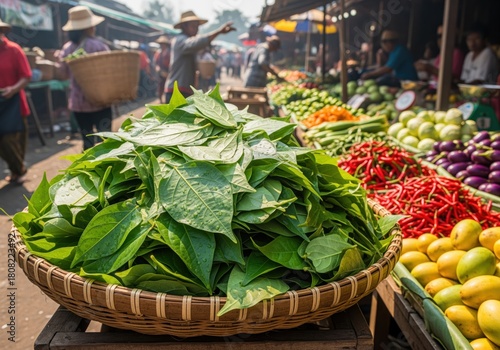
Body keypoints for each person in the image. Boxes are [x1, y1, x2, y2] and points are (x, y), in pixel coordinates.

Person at [58, 6, 111, 151]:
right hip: (101, 100)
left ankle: (88, 170)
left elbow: (62, 74)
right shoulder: (99, 46)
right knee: (106, 142)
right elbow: (110, 70)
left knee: (87, 141)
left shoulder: (67, 49)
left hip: (78, 104)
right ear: (88, 28)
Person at [165, 11, 235, 102]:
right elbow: (196, 43)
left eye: (197, 27)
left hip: (186, 89)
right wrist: (219, 32)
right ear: (184, 27)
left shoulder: (186, 41)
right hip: (177, 91)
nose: (197, 30)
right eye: (193, 26)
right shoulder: (179, 40)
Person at [0, 17, 32, 184]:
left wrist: (12, 89)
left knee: (11, 140)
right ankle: (16, 171)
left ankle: (19, 171)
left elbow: (26, 76)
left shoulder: (14, 50)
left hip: (15, 104)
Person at [154, 36, 170, 103]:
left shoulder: (169, 53)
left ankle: (167, 101)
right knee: (160, 87)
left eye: (163, 44)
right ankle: (161, 100)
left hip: (168, 72)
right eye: (161, 44)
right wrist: (157, 68)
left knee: (168, 87)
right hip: (160, 73)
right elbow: (155, 63)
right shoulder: (158, 53)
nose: (162, 45)